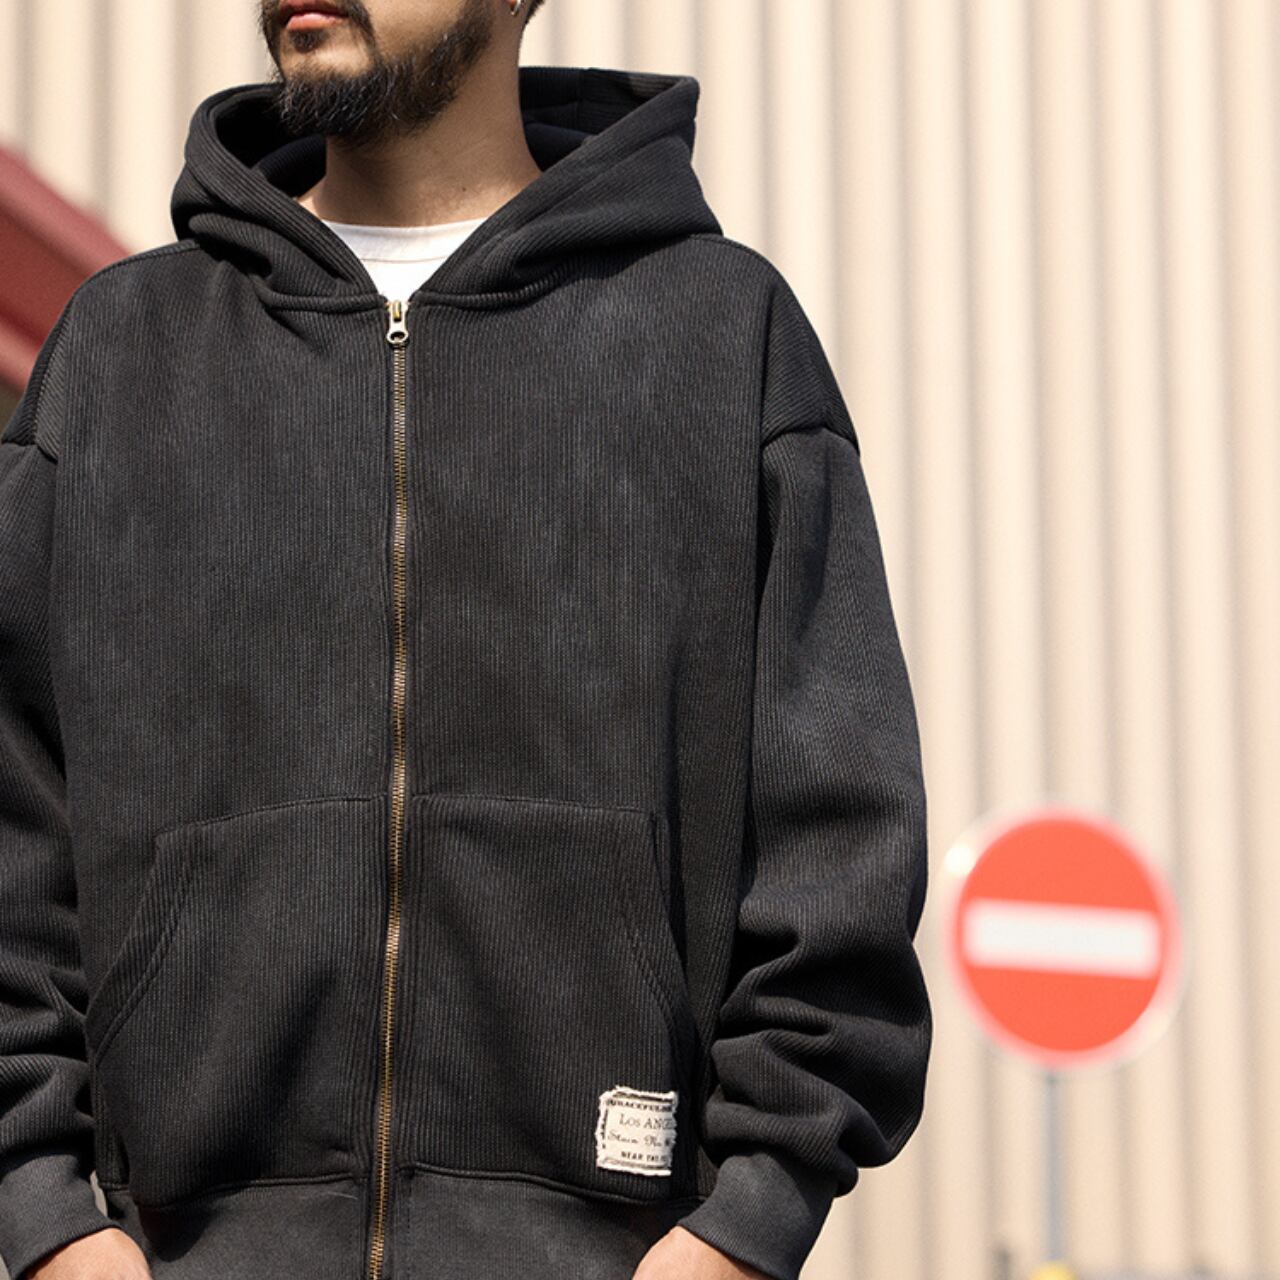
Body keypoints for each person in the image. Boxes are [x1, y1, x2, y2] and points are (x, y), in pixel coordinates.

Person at [0, 2, 933, 1278]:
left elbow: (839, 843)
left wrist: (743, 1223)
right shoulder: (123, 356)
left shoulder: (721, 340)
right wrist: (47, 1217)